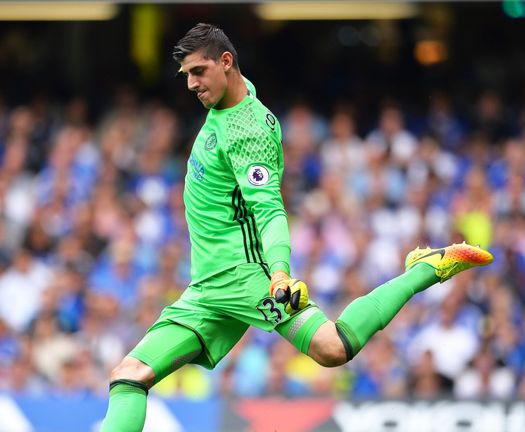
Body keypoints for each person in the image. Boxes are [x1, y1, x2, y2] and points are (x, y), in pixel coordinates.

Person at [100, 23, 494, 431]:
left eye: (198, 71)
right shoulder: (233, 102)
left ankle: (425, 269)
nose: (191, 84)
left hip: (244, 277)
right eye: (186, 76)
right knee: (130, 374)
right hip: (206, 289)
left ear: (226, 62)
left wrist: (280, 272)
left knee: (332, 348)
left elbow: (269, 208)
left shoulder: (247, 131)